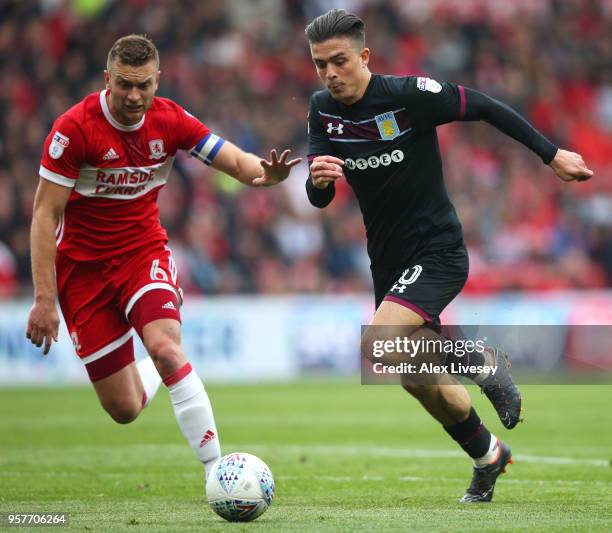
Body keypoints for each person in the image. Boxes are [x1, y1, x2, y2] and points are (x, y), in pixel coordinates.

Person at [304, 10, 592, 503]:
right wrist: (317, 182)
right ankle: (488, 456)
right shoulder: (320, 109)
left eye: (339, 61)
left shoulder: (406, 96)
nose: (330, 73)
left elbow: (483, 106)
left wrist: (551, 154)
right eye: (320, 65)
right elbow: (320, 196)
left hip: (437, 250)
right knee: (417, 379)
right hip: (388, 261)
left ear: (364, 56)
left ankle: (480, 360)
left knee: (376, 345)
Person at [26, 34, 300, 481]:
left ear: (158, 80)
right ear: (107, 80)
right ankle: (153, 368)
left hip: (142, 253)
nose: (134, 96)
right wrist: (44, 298)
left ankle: (218, 475)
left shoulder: (171, 119)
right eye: (124, 85)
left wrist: (265, 175)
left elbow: (231, 160)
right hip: (83, 272)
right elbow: (44, 214)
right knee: (125, 409)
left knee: (166, 348)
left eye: (143, 86)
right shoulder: (74, 130)